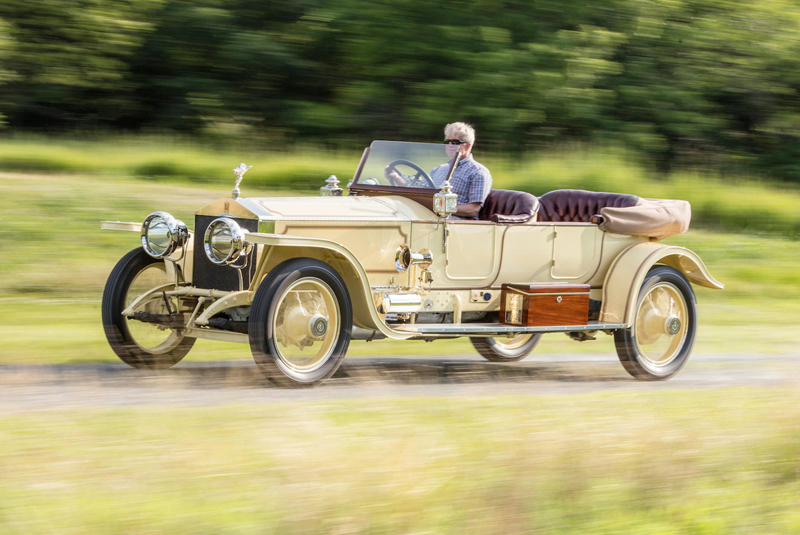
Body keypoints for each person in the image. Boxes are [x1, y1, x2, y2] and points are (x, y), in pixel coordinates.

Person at [430, 122, 493, 220]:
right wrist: (397, 177)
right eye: (447, 142)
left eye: (455, 142)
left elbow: (473, 209)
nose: (449, 145)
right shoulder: (438, 169)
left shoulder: (478, 172)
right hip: (432, 215)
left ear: (467, 146)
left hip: (458, 221)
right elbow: (418, 187)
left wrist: (440, 208)